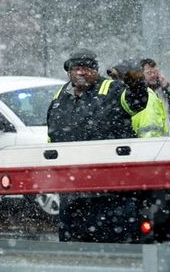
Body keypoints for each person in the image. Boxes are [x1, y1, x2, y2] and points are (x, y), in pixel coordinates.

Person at [47, 50, 148, 244]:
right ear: (69, 71)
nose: (81, 73)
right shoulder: (60, 95)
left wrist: (134, 81)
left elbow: (137, 102)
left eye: (87, 68)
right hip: (73, 192)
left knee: (118, 247)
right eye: (76, 68)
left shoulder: (113, 90)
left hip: (112, 193)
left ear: (96, 70)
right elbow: (52, 137)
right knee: (73, 250)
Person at [107, 60, 168, 138]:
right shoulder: (130, 96)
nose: (113, 81)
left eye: (116, 77)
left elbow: (149, 131)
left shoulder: (143, 97)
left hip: (146, 147)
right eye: (113, 78)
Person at [140, 58, 170, 128]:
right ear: (142, 74)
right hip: (143, 136)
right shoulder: (138, 90)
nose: (153, 75)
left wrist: (166, 86)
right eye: (149, 73)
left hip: (163, 136)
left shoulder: (163, 88)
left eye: (155, 72)